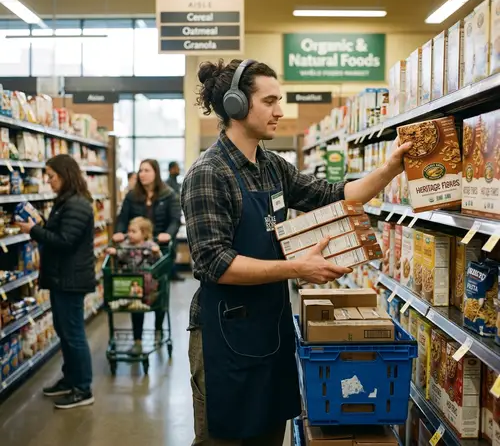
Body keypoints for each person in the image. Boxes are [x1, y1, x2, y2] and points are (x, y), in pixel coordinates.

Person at [181, 58, 412, 445]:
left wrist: (389, 169)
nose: (280, 111)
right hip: (224, 331)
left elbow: (335, 196)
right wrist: (295, 267)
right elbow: (213, 263)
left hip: (269, 325)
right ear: (237, 105)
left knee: (271, 430)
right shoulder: (209, 173)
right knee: (225, 435)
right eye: (270, 101)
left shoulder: (273, 167)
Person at [17, 154, 96, 410]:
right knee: (64, 331)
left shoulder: (77, 204)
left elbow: (64, 241)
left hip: (70, 279)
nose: (48, 181)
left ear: (64, 175)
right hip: (62, 277)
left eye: (51, 176)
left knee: (73, 334)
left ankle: (83, 388)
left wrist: (33, 231)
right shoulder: (66, 202)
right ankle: (70, 379)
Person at [113, 159, 181, 353]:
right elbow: (122, 218)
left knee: (158, 291)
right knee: (137, 292)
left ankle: (158, 329)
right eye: (140, 170)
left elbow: (175, 219)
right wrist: (119, 232)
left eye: (146, 170)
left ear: (156, 173)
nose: (142, 174)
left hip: (159, 251)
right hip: (136, 251)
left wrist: (168, 234)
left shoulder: (169, 195)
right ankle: (137, 338)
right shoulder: (132, 196)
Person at [107, 217, 161, 306]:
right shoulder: (126, 244)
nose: (130, 234)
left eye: (133, 231)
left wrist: (156, 252)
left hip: (146, 278)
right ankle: (127, 300)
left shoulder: (149, 245)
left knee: (149, 280)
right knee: (125, 279)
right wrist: (115, 252)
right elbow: (121, 254)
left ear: (144, 233)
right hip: (130, 276)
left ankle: (148, 297)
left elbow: (158, 260)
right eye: (129, 231)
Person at [166, 161, 183, 281]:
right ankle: (170, 273)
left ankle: (173, 272)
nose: (178, 170)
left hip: (175, 220)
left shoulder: (177, 184)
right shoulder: (167, 184)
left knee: (174, 249)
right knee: (170, 249)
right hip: (168, 222)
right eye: (176, 168)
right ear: (171, 169)